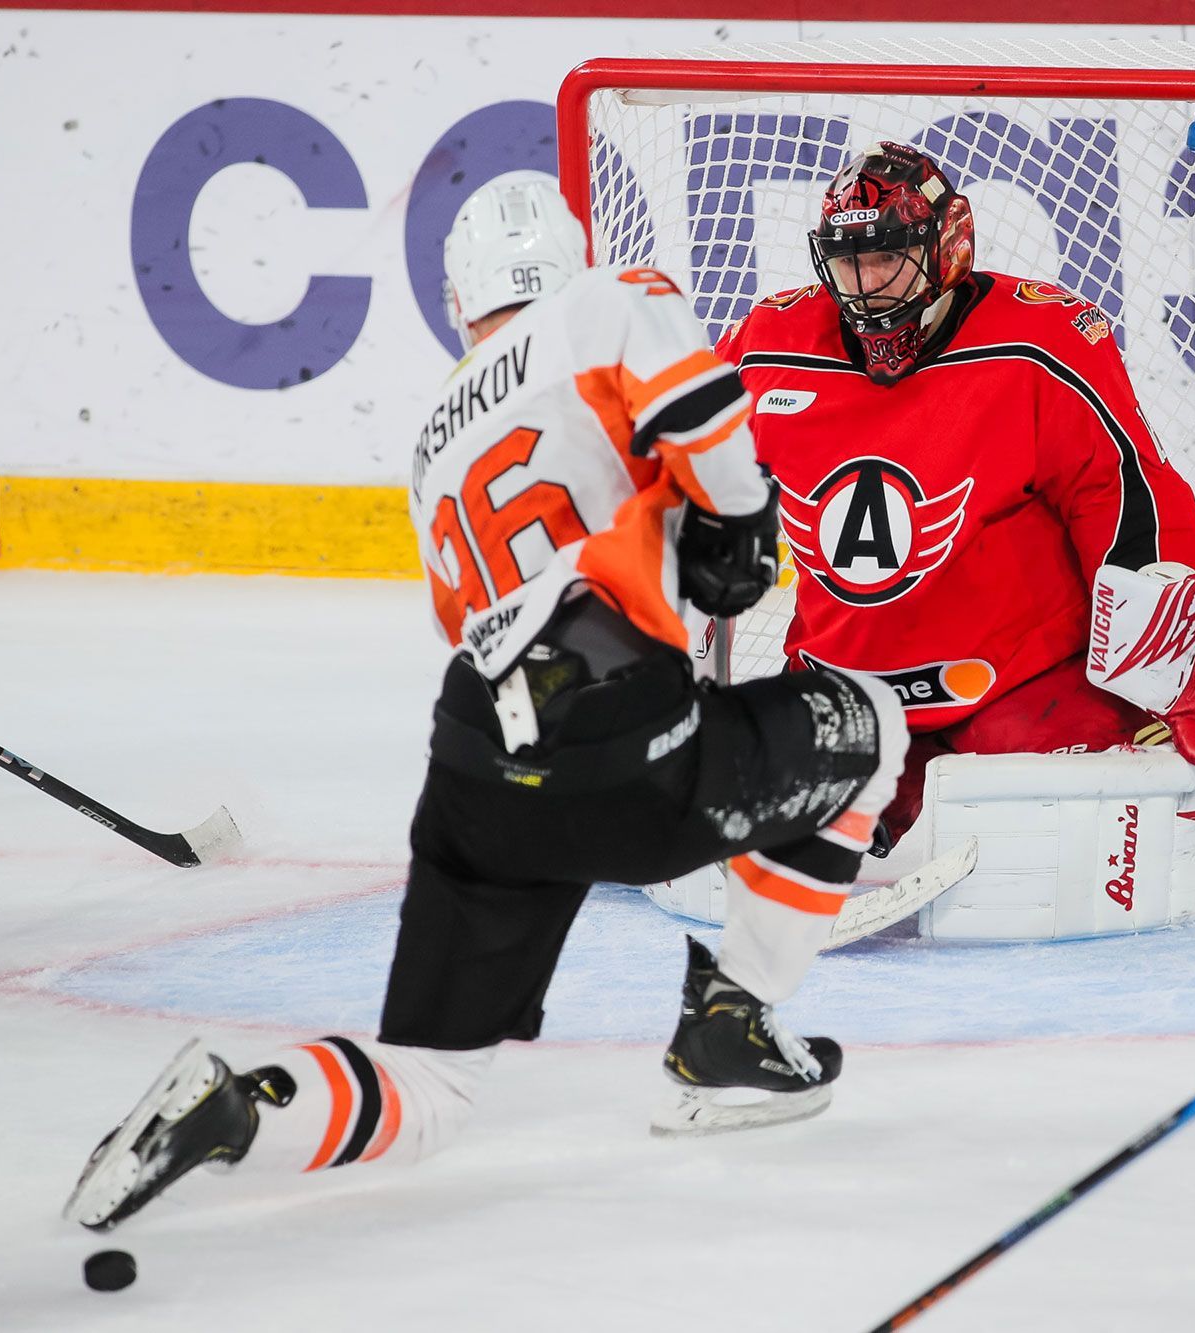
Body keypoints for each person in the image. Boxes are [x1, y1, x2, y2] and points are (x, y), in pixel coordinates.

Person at [64, 171, 908, 1231]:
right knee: (870, 727)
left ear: (461, 300)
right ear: (562, 261)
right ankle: (732, 1032)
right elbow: (699, 407)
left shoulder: (430, 444)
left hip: (475, 758)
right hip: (620, 736)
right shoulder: (602, 302)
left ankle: (238, 1107)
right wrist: (738, 522)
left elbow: (470, 611)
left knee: (426, 1086)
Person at [716, 141, 1195, 841]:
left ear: (946, 247)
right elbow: (678, 480)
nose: (863, 285)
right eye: (846, 262)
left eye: (884, 259)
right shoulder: (768, 345)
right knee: (779, 817)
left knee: (1074, 823)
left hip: (1021, 684)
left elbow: (1121, 498)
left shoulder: (1040, 341)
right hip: (845, 689)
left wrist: (1176, 666)